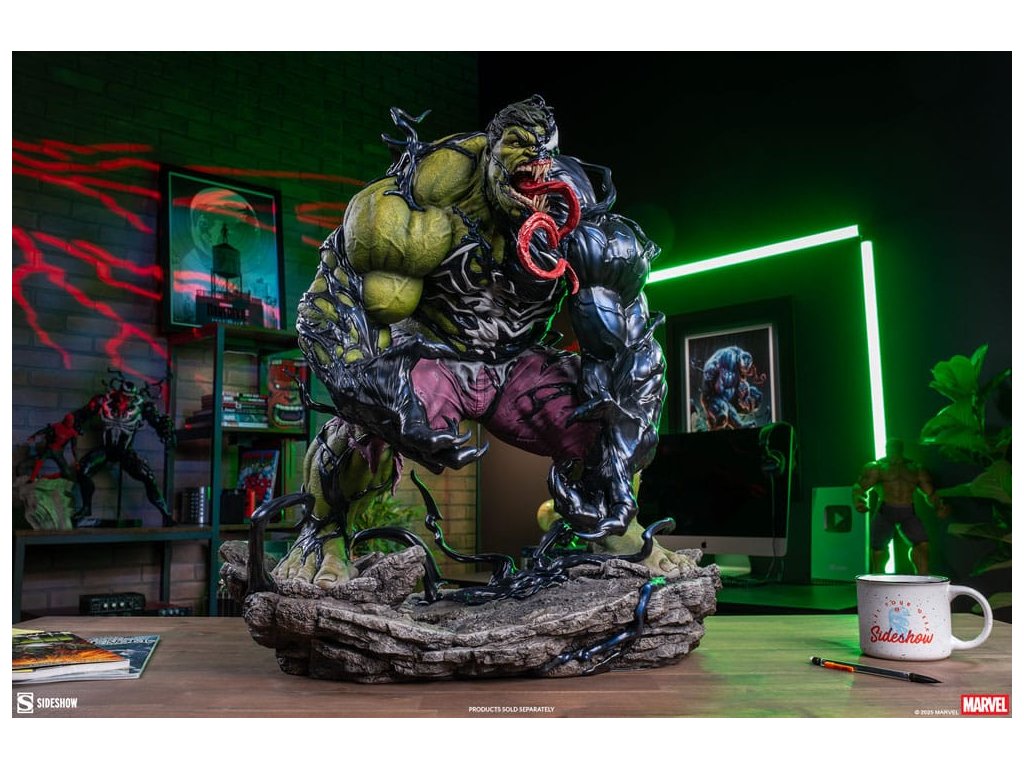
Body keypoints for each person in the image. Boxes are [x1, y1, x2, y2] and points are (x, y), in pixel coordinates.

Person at [273, 96, 683, 587]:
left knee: (607, 415)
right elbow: (331, 302)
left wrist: (621, 438)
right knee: (367, 423)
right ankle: (324, 533)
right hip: (432, 352)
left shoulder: (575, 213)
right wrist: (372, 388)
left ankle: (611, 526)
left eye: (543, 152)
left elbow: (631, 348)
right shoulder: (420, 196)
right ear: (491, 149)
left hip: (514, 361)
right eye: (516, 146)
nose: (532, 164)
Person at [853, 437, 949, 574]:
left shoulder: (915, 468)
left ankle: (922, 580)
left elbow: (929, 492)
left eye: (895, 447)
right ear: (886, 448)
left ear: (901, 449)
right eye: (890, 447)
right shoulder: (877, 467)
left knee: (922, 545)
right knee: (879, 551)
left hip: (907, 512)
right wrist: (859, 501)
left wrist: (939, 506)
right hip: (885, 511)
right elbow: (859, 487)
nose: (892, 450)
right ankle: (879, 581)